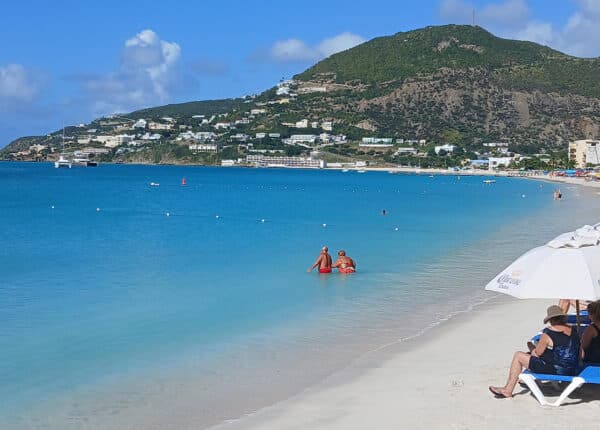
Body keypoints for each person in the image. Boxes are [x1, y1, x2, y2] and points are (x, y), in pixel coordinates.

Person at [489, 305, 579, 398]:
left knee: (518, 355)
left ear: (551, 319)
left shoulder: (548, 332)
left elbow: (537, 353)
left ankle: (507, 390)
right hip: (572, 368)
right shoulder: (574, 329)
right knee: (530, 354)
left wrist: (532, 347)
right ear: (563, 317)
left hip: (559, 370)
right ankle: (525, 380)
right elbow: (569, 349)